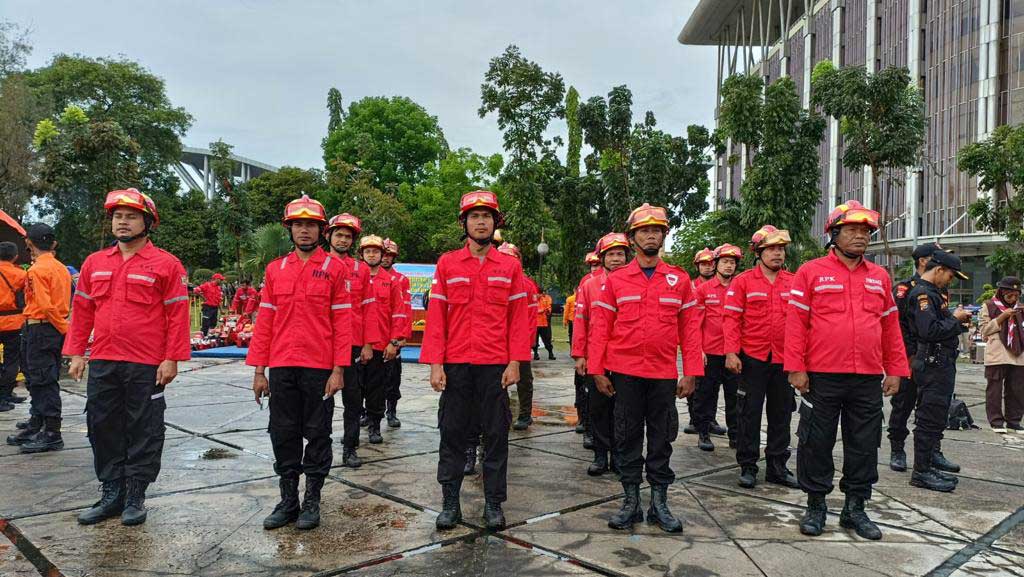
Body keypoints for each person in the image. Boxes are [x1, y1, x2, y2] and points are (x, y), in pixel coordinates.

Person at [63, 189, 190, 526]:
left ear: (147, 222)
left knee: (144, 428)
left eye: (131, 216)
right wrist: (77, 353)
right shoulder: (95, 263)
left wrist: (171, 358)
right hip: (104, 360)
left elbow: (177, 316)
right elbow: (82, 311)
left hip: (146, 364)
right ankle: (111, 493)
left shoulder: (166, 264)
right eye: (118, 216)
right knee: (102, 425)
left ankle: (135, 495)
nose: (122, 221)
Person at [787, 200, 908, 540]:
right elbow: (795, 325)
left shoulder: (879, 277)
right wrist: (796, 368)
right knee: (816, 442)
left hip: (867, 377)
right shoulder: (810, 272)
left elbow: (890, 327)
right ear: (834, 234)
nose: (861, 237)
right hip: (821, 376)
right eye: (853, 230)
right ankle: (816, 505)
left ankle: (856, 508)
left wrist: (895, 369)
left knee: (865, 444)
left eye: (866, 232)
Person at [588, 203, 702, 533]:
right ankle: (631, 502)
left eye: (656, 230)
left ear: (664, 235)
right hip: (624, 374)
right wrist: (597, 369)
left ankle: (659, 504)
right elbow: (601, 326)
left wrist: (691, 370)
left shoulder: (679, 280)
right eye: (644, 231)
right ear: (633, 237)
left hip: (663, 375)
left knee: (661, 439)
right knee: (626, 437)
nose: (650, 235)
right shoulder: (617, 280)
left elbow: (690, 330)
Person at [421, 190, 531, 531]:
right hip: (456, 366)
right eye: (474, 216)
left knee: (496, 435)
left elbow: (518, 320)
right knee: (452, 433)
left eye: (486, 216)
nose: (480, 221)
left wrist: (515, 362)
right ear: (464, 223)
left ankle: (493, 504)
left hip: (494, 366)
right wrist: (436, 365)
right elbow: (437, 316)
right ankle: (450, 503)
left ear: (495, 223)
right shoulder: (447, 263)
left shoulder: (510, 266)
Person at [248, 195, 352, 531]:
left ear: (321, 230)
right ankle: (288, 500)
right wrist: (259, 370)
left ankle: (312, 500)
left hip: (319, 367)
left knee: (318, 433)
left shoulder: (335, 269)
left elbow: (342, 323)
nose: (303, 230)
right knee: (283, 432)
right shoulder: (275, 269)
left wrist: (339, 369)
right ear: (289, 229)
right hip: (281, 365)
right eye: (297, 224)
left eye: (310, 225)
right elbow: (264, 322)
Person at [722, 227, 798, 488]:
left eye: (781, 249)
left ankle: (777, 466)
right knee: (749, 414)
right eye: (772, 249)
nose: (778, 253)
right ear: (759, 252)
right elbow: (731, 319)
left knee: (782, 414)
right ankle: (748, 465)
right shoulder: (743, 281)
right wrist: (731, 352)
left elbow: (802, 323)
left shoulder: (793, 281)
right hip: (752, 359)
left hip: (784, 360)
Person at [906, 250, 973, 492]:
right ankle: (921, 471)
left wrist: (956, 320)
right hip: (932, 363)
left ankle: (929, 464)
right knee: (928, 418)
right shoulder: (923, 294)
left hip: (942, 363)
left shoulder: (935, 293)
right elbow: (928, 330)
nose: (951, 281)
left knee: (936, 418)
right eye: (951, 276)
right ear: (939, 269)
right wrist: (955, 320)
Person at [6, 224, 71, 453]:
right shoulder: (61, 268)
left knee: (42, 380)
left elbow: (44, 304)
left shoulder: (36, 271)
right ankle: (39, 422)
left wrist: (63, 327)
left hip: (42, 327)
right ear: (53, 244)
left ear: (29, 243)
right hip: (48, 327)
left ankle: (52, 431)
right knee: (37, 378)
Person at [888, 242, 947, 471]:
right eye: (936, 257)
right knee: (903, 403)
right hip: (910, 357)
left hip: (935, 359)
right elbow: (897, 326)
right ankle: (897, 448)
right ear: (923, 260)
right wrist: (909, 355)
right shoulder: (905, 289)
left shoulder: (939, 288)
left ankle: (932, 451)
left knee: (932, 406)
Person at [575, 232, 630, 476]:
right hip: (595, 357)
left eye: (620, 254)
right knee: (598, 408)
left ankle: (619, 455)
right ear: (602, 258)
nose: (616, 259)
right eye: (611, 255)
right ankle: (600, 454)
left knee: (623, 410)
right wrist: (580, 355)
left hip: (624, 357)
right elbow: (580, 321)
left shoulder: (634, 283)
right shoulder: (589, 286)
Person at [324, 212, 373, 468]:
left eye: (347, 236)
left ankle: (350, 447)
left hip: (353, 343)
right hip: (323, 344)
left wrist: (367, 343)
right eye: (339, 235)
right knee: (322, 400)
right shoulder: (318, 266)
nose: (343, 240)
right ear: (329, 236)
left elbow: (368, 308)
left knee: (353, 399)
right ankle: (321, 447)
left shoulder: (361, 270)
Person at [693, 243, 742, 452]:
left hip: (733, 353)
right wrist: (699, 350)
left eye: (732, 262)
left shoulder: (740, 288)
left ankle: (735, 434)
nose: (729, 266)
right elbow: (695, 322)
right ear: (716, 264)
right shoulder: (703, 290)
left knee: (735, 396)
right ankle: (703, 433)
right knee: (706, 395)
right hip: (710, 352)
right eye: (725, 262)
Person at [357, 234, 405, 445]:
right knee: (354, 389)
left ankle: (375, 426)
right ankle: (354, 427)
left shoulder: (392, 282)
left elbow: (399, 313)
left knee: (378, 388)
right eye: (368, 251)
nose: (372, 254)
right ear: (361, 254)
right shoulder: (353, 278)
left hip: (381, 345)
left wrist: (394, 342)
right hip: (357, 344)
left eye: (376, 251)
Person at [498, 242, 539, 432]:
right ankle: (500, 414)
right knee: (497, 383)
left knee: (524, 381)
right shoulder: (495, 280)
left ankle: (524, 415)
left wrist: (525, 345)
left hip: (518, 343)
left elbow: (529, 320)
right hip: (496, 343)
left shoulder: (527, 285)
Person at [979, 276, 1024, 433]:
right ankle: (996, 421)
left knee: (1017, 389)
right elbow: (984, 331)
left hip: (1019, 354)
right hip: (997, 354)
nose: (1013, 299)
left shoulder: (1021, 308)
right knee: (995, 390)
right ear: (1001, 292)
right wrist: (1002, 317)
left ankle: (1014, 421)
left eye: (1016, 296)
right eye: (1009, 295)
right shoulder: (989, 306)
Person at [381, 238, 412, 428]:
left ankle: (391, 411)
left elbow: (406, 310)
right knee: (368, 381)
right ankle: (369, 412)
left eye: (389, 256)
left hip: (393, 336)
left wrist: (402, 337)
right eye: (383, 254)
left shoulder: (401, 280)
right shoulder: (365, 276)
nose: (385, 259)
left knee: (393, 378)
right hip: (373, 337)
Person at [0, 241, 27, 412]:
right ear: (16, 256)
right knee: (12, 360)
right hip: (14, 322)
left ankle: (4, 395)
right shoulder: (20, 274)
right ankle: (5, 395)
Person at [533, 291, 555, 360]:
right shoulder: (532, 299)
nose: (541, 295)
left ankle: (550, 353)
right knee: (534, 340)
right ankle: (535, 353)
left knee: (547, 339)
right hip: (535, 324)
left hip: (544, 323)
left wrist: (547, 310)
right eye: (539, 294)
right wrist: (540, 311)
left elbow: (548, 308)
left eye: (541, 293)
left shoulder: (545, 299)